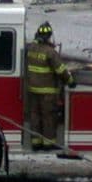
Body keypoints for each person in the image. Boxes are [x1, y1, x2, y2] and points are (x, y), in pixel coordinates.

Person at [26, 21, 75, 150]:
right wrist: (70, 81)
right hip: (47, 92)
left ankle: (36, 143)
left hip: (32, 90)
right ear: (49, 36)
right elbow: (61, 70)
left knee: (35, 116)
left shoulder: (30, 49)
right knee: (48, 117)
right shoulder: (50, 52)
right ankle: (48, 144)